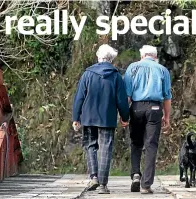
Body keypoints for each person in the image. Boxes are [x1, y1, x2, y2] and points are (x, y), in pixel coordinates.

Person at [72, 44, 130, 194]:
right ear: (111, 59)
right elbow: (122, 100)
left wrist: (76, 117)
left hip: (89, 117)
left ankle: (94, 177)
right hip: (107, 118)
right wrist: (125, 117)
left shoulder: (87, 74)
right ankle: (103, 185)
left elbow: (79, 97)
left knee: (90, 145)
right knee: (105, 148)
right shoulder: (116, 76)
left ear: (99, 57)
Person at [124, 45, 172, 194]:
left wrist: (124, 115)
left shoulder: (132, 68)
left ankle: (136, 174)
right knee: (151, 145)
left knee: (136, 143)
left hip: (137, 107)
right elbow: (167, 96)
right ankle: (146, 185)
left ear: (142, 55)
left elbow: (127, 96)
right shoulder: (162, 70)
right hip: (155, 108)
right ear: (155, 56)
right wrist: (167, 116)